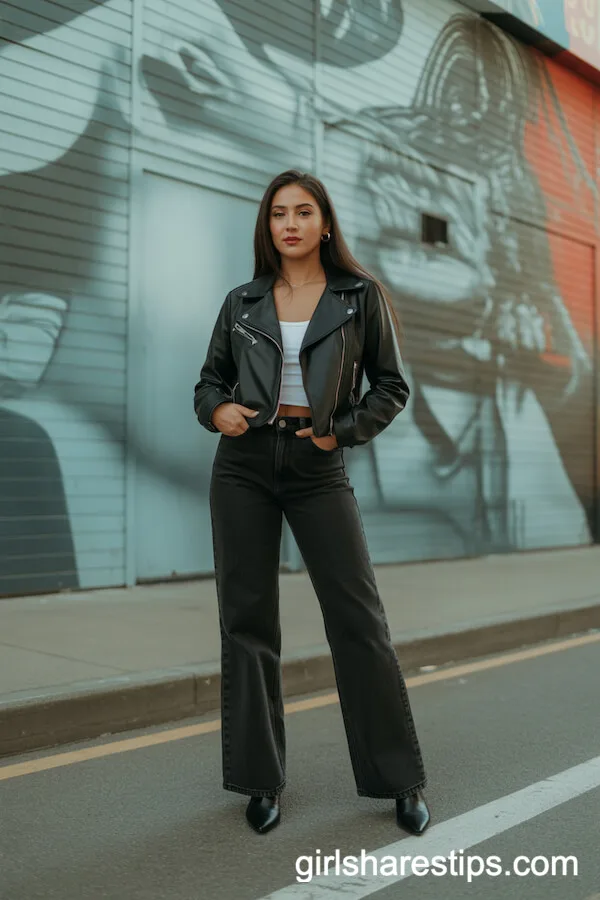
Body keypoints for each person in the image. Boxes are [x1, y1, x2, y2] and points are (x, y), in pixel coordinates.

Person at [193, 169, 430, 836]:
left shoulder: (359, 296)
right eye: (278, 214)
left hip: (317, 463)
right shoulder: (242, 301)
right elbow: (207, 382)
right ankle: (259, 779)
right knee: (248, 622)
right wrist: (219, 411)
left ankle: (399, 780)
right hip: (242, 467)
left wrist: (341, 432)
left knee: (359, 620)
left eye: (303, 212)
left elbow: (391, 386)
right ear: (266, 227)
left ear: (325, 223)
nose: (290, 223)